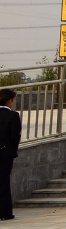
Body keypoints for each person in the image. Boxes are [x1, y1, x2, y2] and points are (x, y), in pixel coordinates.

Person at [0, 88, 19, 221]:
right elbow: (15, 137)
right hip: (5, 152)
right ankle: (5, 212)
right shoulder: (13, 116)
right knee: (4, 181)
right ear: (10, 101)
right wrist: (12, 151)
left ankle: (6, 212)